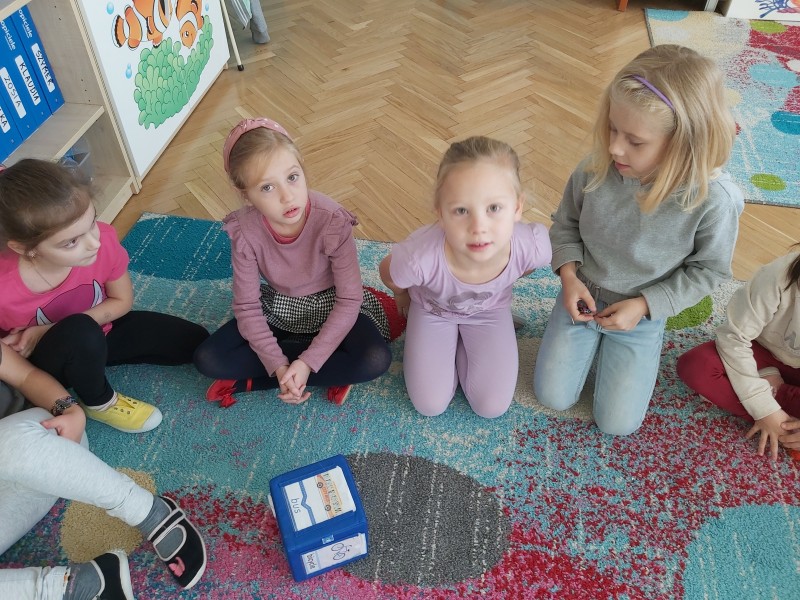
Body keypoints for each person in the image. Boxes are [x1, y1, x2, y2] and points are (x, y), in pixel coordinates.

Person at [532, 44, 744, 436]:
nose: (615, 146)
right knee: (552, 397)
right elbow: (565, 224)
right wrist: (569, 277)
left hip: (642, 313)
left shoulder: (715, 200)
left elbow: (708, 271)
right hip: (584, 293)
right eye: (613, 128)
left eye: (635, 140)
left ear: (684, 143)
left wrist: (645, 306)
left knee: (618, 425)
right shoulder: (596, 167)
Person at [194, 118, 402, 407]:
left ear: (302, 169)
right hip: (278, 308)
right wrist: (278, 364)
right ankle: (327, 370)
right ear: (246, 195)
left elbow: (349, 299)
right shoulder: (244, 230)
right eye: (267, 187)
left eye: (292, 177)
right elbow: (248, 307)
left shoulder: (332, 220)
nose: (287, 196)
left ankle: (262, 379)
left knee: (375, 359)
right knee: (207, 358)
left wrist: (306, 362)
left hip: (332, 306)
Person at [0, 159, 210, 434]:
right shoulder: (5, 287)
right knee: (81, 331)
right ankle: (99, 401)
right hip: (47, 362)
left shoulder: (104, 241)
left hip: (99, 330)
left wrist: (47, 329)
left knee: (195, 342)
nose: (94, 243)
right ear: (25, 248)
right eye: (71, 242)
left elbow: (122, 301)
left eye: (92, 223)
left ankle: (88, 364)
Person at [0, 341, 207, 598]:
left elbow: (25, 375)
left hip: (39, 446)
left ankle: (149, 511)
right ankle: (78, 587)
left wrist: (71, 410)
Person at [379, 136, 552, 418]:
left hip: (490, 312)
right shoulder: (419, 257)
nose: (478, 227)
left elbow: (525, 267)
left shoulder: (533, 246)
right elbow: (389, 273)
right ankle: (459, 339)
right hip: (432, 312)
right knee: (429, 405)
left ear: (517, 207)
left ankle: (466, 340)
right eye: (461, 210)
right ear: (440, 213)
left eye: (494, 208)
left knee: (492, 407)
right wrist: (402, 297)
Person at [676, 249, 800, 460]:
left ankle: (772, 393)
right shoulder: (779, 275)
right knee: (697, 366)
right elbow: (734, 337)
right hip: (761, 352)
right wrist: (765, 410)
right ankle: (778, 417)